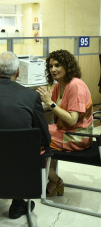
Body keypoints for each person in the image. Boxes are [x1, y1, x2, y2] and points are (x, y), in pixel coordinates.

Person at [0, 51, 51, 221]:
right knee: (20, 152)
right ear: (18, 72)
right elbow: (45, 137)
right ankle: (18, 204)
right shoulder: (31, 96)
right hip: (20, 167)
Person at [37, 49, 93, 197]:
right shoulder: (58, 85)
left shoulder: (76, 86)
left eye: (57, 65)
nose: (53, 69)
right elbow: (54, 110)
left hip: (76, 136)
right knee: (34, 133)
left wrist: (50, 104)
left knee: (31, 141)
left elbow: (72, 119)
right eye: (50, 66)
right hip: (63, 131)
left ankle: (56, 180)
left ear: (67, 66)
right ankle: (49, 178)